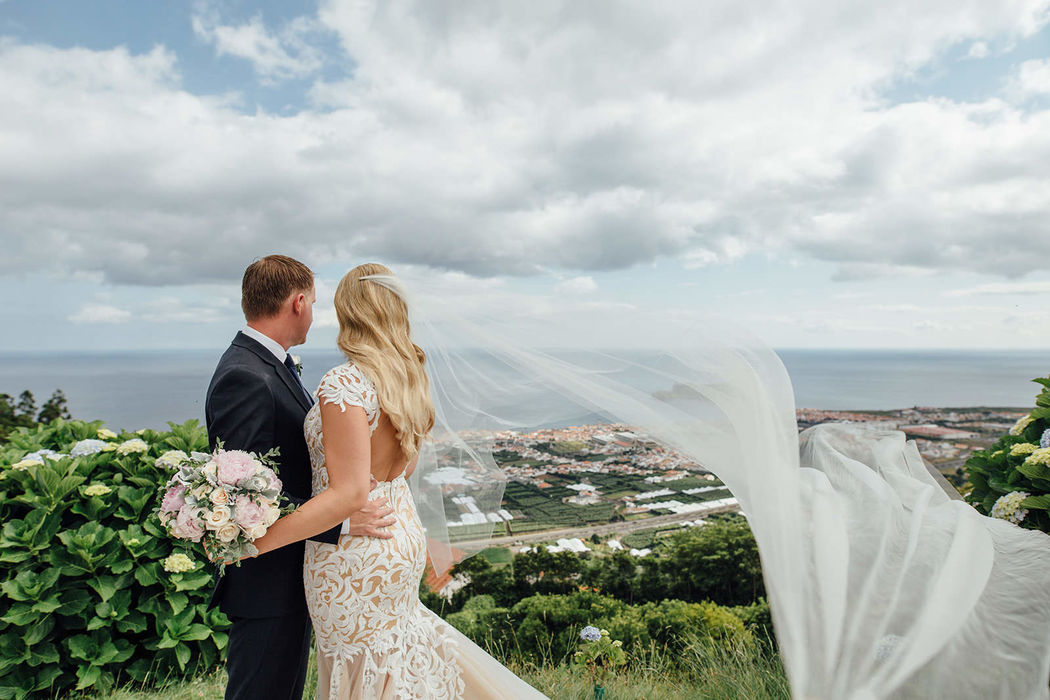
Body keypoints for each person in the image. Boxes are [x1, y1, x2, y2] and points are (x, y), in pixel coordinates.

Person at [251, 262, 547, 699]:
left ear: (350, 312)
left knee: (364, 667)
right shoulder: (407, 377)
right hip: (399, 534)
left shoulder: (343, 382)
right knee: (397, 658)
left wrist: (258, 540)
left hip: (353, 557)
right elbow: (402, 470)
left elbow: (350, 492)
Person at [205, 255, 397, 700]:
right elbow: (248, 495)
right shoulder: (245, 375)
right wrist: (343, 519)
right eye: (311, 300)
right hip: (267, 581)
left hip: (289, 574)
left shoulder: (264, 364)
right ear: (296, 302)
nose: (313, 311)